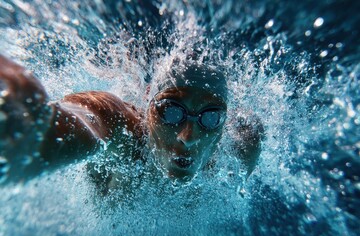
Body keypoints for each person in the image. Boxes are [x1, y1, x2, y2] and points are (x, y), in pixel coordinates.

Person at [0, 54, 263, 191]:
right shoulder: (126, 133)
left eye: (211, 117)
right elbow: (90, 117)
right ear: (149, 105)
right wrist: (37, 131)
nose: (188, 135)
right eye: (171, 111)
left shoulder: (240, 152)